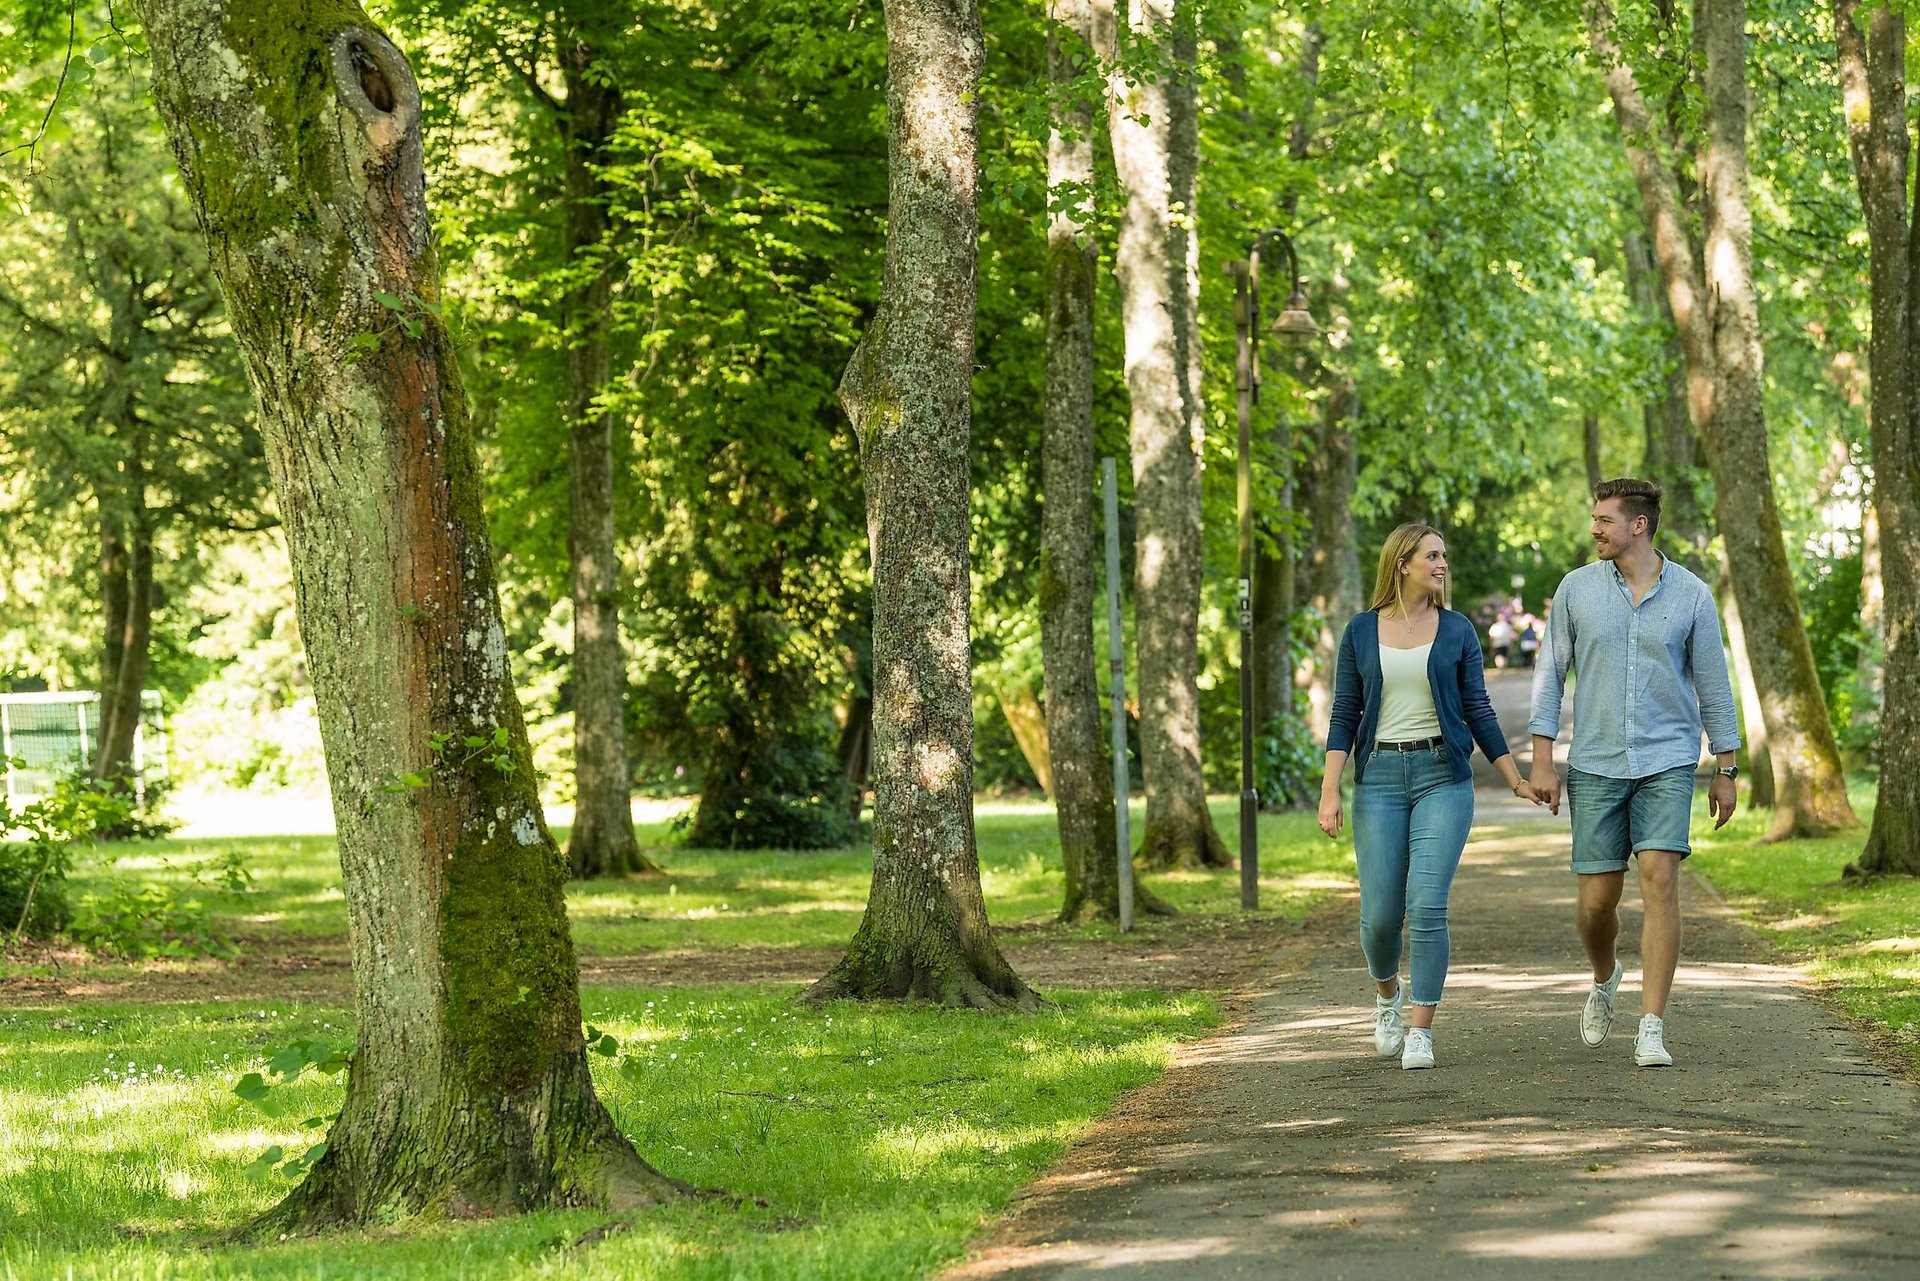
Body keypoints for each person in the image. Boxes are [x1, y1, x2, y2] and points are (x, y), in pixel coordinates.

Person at [1528, 477, 1741, 1068]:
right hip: (1595, 761)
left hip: (1667, 759)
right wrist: (1543, 760)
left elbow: (1713, 686)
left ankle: (1652, 1025)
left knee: (1660, 876)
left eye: (1604, 520)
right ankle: (1604, 976)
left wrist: (1726, 765)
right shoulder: (1575, 590)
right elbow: (1551, 677)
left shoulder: (1693, 596)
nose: (1594, 529)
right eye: (1594, 519)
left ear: (1638, 525)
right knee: (1597, 904)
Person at [1319, 523, 1539, 1070]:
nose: (1442, 564)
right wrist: (1331, 789)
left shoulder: (1458, 630)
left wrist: (1514, 777)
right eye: (1432, 555)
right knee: (1378, 917)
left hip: (1443, 773)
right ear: (1402, 563)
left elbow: (1479, 709)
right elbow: (1345, 714)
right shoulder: (1361, 631)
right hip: (1379, 778)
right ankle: (1387, 996)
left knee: (1426, 904)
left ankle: (1422, 1028)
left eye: (1444, 556)